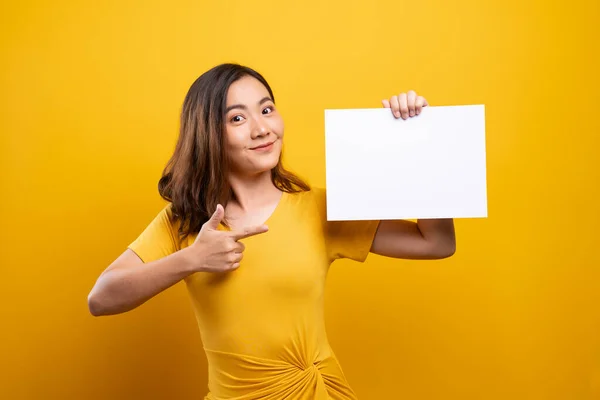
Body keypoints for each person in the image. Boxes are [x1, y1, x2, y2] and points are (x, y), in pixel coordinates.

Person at [87, 63, 456, 399]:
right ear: (208, 134)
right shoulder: (185, 220)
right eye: (237, 118)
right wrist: (192, 259)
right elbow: (101, 299)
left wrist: (417, 144)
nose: (262, 128)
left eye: (266, 110)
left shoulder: (319, 208)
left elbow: (437, 242)